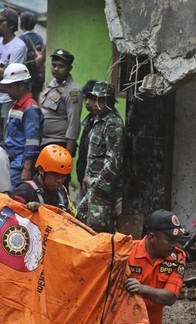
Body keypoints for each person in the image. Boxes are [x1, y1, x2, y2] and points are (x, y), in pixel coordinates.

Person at [0, 144, 75, 324]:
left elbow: (73, 222)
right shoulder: (25, 191)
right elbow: (8, 223)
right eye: (54, 175)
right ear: (41, 172)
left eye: (63, 176)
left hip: (55, 268)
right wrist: (29, 213)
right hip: (30, 268)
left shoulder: (63, 194)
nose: (59, 180)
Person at [77, 81, 126, 233]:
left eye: (101, 100)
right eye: (95, 99)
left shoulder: (113, 124)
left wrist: (95, 183)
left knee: (99, 229)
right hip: (92, 187)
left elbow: (114, 162)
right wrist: (86, 176)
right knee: (80, 219)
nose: (96, 104)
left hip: (103, 190)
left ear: (110, 102)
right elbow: (92, 154)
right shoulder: (98, 121)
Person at [0, 7, 26, 142]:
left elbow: (10, 75)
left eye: (1, 22)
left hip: (10, 98)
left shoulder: (18, 46)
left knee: (9, 135)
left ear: (12, 25)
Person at [1, 63, 42, 188]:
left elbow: (32, 140)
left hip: (20, 162)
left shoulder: (30, 108)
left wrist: (27, 168)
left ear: (22, 85)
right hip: (11, 158)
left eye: (10, 87)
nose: (7, 90)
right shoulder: (16, 105)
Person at [41, 49, 81, 159]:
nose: (56, 69)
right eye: (53, 65)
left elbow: (74, 125)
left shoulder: (73, 91)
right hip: (44, 141)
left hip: (59, 144)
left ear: (69, 69)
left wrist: (66, 157)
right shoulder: (53, 83)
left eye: (60, 66)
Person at [76, 80, 98, 202]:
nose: (87, 102)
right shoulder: (89, 121)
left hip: (95, 180)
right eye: (85, 98)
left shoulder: (106, 124)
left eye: (91, 98)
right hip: (83, 177)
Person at [18, 11, 45, 100]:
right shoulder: (40, 38)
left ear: (21, 24)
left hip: (26, 77)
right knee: (35, 101)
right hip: (38, 77)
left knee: (25, 102)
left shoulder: (21, 40)